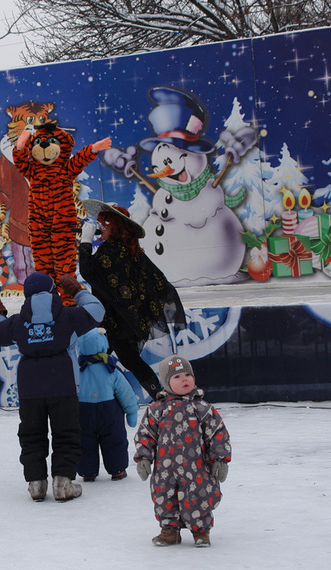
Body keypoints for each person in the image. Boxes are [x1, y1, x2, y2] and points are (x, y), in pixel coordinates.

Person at [0, 271, 105, 502]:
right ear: (54, 292)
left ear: (27, 297)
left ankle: (36, 483)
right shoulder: (69, 316)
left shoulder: (19, 322)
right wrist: (78, 292)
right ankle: (63, 482)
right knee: (66, 433)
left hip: (30, 389)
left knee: (31, 435)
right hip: (64, 385)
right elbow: (97, 311)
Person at [78, 200, 186, 398]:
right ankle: (100, 395)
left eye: (104, 223)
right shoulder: (131, 250)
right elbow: (156, 279)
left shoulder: (109, 251)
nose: (100, 226)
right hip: (128, 320)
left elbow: (88, 271)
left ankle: (156, 397)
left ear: (113, 226)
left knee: (107, 358)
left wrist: (85, 242)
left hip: (115, 323)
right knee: (113, 358)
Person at [134, 355, 232, 547]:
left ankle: (201, 531)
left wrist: (220, 458)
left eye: (188, 374)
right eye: (177, 377)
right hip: (165, 469)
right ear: (166, 383)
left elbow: (218, 433)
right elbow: (145, 434)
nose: (185, 379)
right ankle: (169, 531)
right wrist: (143, 458)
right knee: (164, 497)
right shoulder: (156, 410)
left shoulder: (202, 408)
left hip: (196, 467)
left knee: (198, 497)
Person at [76, 328, 138, 482]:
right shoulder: (111, 370)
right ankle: (117, 469)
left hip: (83, 413)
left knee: (84, 442)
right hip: (109, 413)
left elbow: (68, 395)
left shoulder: (77, 372)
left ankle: (87, 471)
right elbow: (125, 392)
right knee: (115, 440)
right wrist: (131, 411)